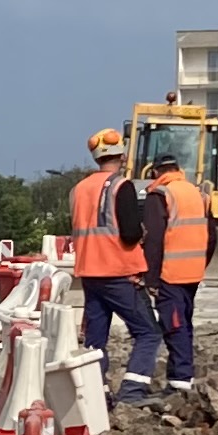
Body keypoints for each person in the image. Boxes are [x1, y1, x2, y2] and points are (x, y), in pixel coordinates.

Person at [66, 127, 162, 402]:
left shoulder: (79, 189)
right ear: (123, 156)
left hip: (90, 273)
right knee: (148, 333)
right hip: (119, 272)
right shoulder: (121, 186)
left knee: (95, 340)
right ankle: (132, 392)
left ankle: (97, 394)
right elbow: (129, 233)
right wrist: (141, 232)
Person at [146, 147, 213, 390]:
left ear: (156, 172)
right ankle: (183, 376)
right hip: (192, 273)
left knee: (174, 326)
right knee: (184, 323)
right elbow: (212, 237)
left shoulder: (160, 194)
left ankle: (180, 380)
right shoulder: (198, 194)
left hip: (171, 274)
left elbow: (154, 239)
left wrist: (151, 279)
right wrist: (200, 263)